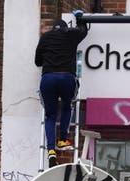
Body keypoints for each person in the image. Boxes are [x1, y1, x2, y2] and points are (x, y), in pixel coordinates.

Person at [35, 10, 88, 169]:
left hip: (48, 78)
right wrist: (80, 18)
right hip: (66, 77)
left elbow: (38, 62)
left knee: (50, 115)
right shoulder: (70, 35)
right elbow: (84, 31)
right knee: (66, 107)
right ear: (65, 27)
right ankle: (62, 139)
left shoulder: (45, 38)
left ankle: (51, 150)